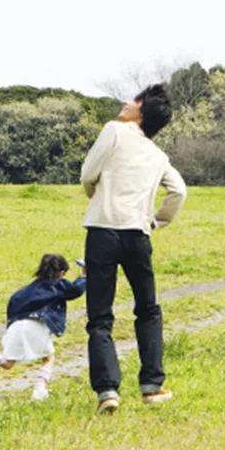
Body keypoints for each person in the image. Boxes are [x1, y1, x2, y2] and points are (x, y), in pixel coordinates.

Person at [81, 84, 187, 415]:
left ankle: (108, 390)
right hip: (138, 235)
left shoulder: (113, 131)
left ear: (139, 110)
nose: (125, 102)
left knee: (100, 314)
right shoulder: (158, 155)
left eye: (132, 99)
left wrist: (95, 196)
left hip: (103, 230)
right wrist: (157, 221)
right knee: (148, 308)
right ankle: (152, 385)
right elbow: (179, 192)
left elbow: (88, 174)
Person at [0, 254, 86, 401]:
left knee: (8, 364)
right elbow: (75, 290)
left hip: (15, 326)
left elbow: (12, 306)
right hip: (35, 325)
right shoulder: (56, 284)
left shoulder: (24, 291)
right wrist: (84, 276)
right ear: (61, 273)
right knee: (48, 358)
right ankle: (39, 391)